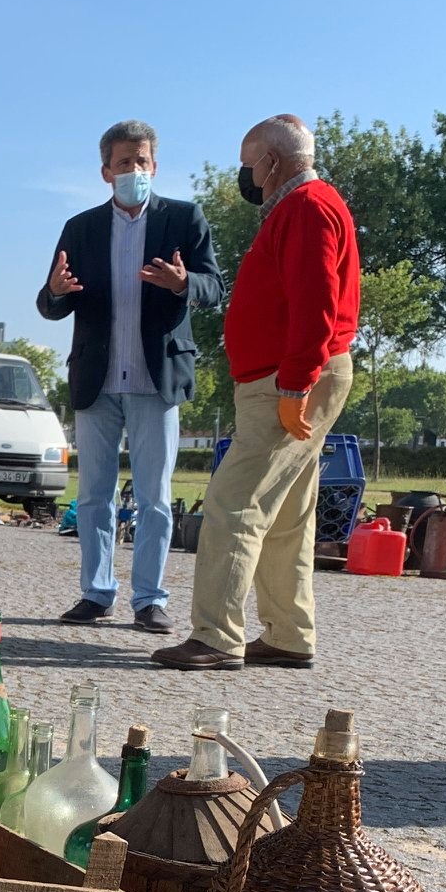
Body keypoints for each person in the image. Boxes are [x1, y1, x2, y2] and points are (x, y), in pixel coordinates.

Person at [154, 115, 360, 671]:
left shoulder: (306, 208)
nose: (246, 175)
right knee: (289, 512)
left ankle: (217, 637)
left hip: (286, 380)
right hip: (289, 377)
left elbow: (316, 303)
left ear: (272, 160)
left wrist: (294, 382)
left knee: (234, 502)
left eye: (248, 164)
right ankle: (291, 634)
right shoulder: (306, 206)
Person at [36, 119, 222, 635]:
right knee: (93, 496)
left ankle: (149, 600)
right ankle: (97, 594)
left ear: (154, 166)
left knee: (155, 497)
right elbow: (50, 303)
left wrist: (185, 283)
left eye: (142, 162)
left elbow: (215, 287)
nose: (133, 170)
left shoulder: (184, 219)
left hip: (156, 378)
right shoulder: (80, 228)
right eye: (124, 163)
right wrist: (55, 291)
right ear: (105, 171)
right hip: (97, 379)